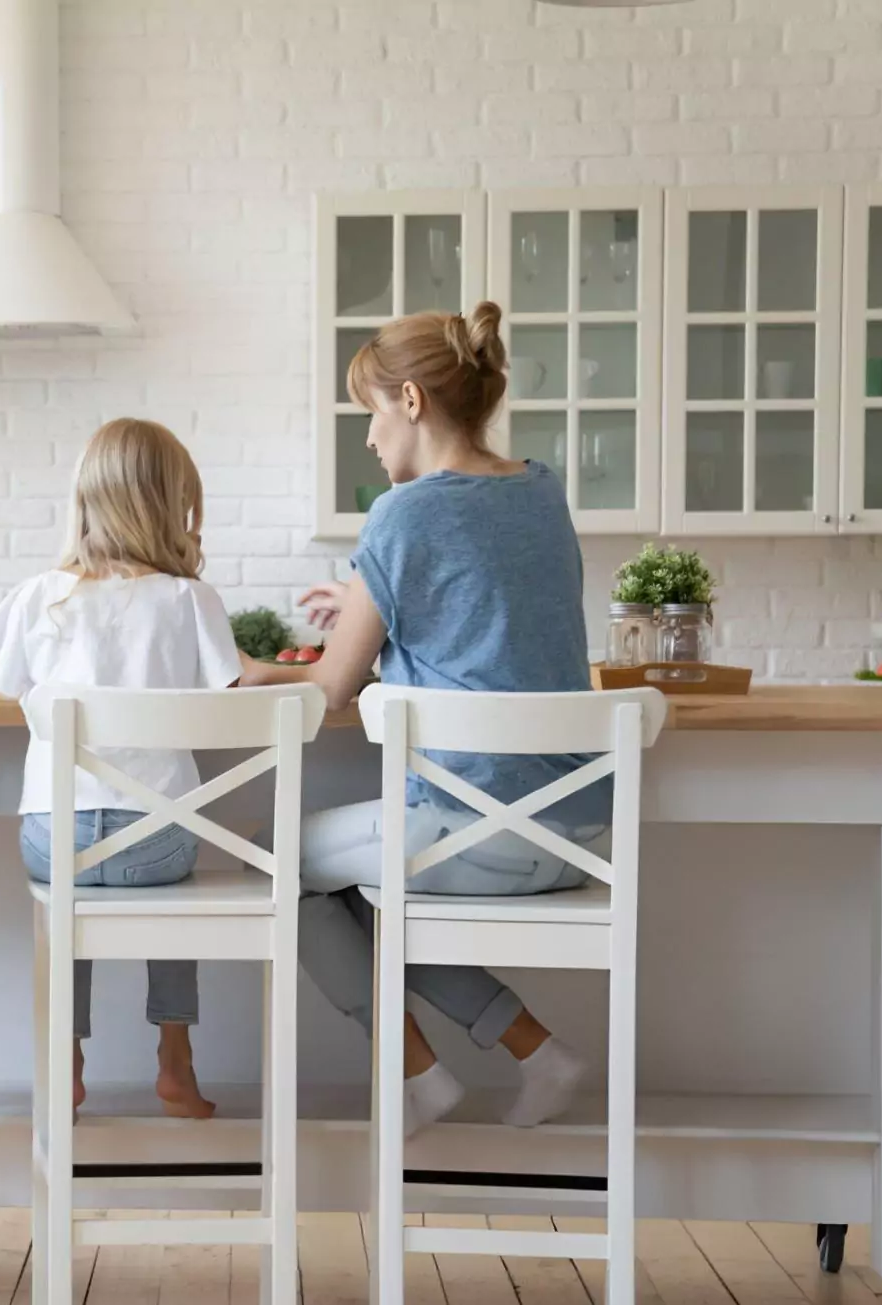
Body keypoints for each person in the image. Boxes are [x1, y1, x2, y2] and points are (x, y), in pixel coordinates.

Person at [243, 303, 599, 1132]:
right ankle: (537, 1053)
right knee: (360, 886)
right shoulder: (543, 490)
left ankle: (418, 1072)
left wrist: (256, 669)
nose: (370, 439)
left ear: (410, 401)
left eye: (371, 413)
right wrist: (369, 598)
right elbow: (487, 604)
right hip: (574, 834)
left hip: (472, 833)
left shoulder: (402, 514)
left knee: (270, 856)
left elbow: (332, 686)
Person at [0, 418, 242, 1120]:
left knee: (68, 887)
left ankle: (68, 1061)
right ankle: (175, 1058)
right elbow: (235, 693)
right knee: (169, 885)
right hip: (160, 845)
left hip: (55, 838)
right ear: (171, 504)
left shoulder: (41, 595)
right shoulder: (191, 600)